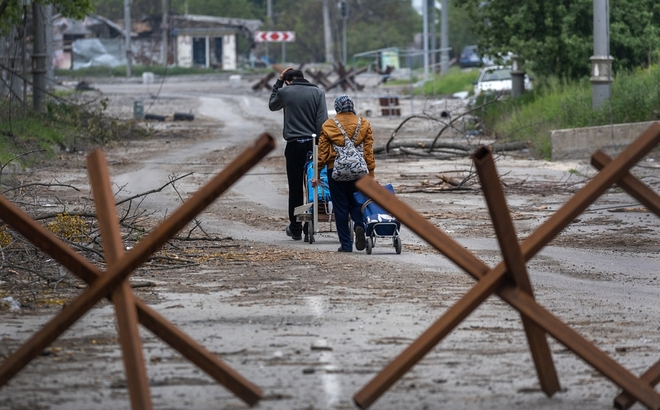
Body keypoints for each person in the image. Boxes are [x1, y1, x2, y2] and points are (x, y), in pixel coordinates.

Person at [269, 67, 328, 241]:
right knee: (311, 185)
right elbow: (322, 122)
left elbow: (273, 104)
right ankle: (309, 222)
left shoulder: (285, 92)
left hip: (294, 146)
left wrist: (279, 82)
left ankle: (296, 228)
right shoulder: (318, 92)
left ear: (288, 81)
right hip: (313, 145)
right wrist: (321, 146)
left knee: (295, 189)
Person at [314, 94, 375, 252]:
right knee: (356, 202)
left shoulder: (329, 125)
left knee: (340, 207)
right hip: (358, 171)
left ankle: (346, 244)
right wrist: (371, 174)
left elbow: (322, 153)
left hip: (335, 170)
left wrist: (317, 172)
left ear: (337, 108)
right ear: (352, 107)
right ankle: (359, 225)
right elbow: (368, 152)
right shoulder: (364, 124)